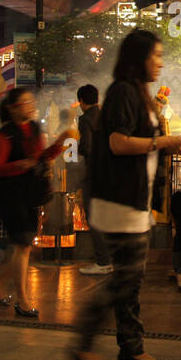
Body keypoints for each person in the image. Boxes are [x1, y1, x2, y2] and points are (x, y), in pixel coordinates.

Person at [72, 29, 181, 360]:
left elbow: (143, 141)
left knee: (131, 278)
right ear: (139, 58)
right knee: (125, 278)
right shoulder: (123, 91)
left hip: (133, 198)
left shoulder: (140, 93)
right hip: (120, 199)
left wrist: (172, 144)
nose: (161, 62)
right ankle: (83, 343)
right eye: (156, 55)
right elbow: (118, 143)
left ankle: (132, 348)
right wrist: (163, 141)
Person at [0, 88, 71, 318]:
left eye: (31, 101)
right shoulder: (6, 135)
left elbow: (41, 157)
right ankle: (22, 300)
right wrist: (19, 165)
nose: (31, 105)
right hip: (11, 195)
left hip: (30, 193)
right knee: (23, 246)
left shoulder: (33, 129)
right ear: (13, 108)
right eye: (25, 103)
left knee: (24, 247)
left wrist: (60, 143)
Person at [74, 84, 112, 276]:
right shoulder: (106, 116)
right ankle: (111, 259)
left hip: (94, 174)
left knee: (93, 215)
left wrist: (77, 147)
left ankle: (103, 261)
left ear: (81, 101)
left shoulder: (85, 119)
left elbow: (87, 147)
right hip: (110, 172)